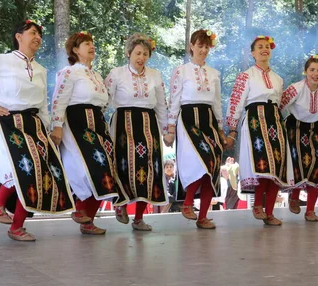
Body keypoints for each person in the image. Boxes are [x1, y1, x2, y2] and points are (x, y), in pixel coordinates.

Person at [0, 20, 74, 241]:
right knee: (25, 168)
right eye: (32, 32)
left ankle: (13, 222)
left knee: (39, 171)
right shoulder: (1, 61)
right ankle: (2, 209)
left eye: (40, 34)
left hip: (33, 124)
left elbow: (42, 103)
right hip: (6, 121)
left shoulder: (41, 70)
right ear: (18, 36)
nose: (37, 37)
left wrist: (49, 128)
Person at [50, 31, 126, 235]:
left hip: (98, 124)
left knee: (106, 170)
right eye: (85, 44)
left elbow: (105, 102)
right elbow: (59, 100)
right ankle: (77, 207)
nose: (91, 46)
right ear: (75, 50)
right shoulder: (69, 72)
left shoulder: (97, 75)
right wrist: (57, 125)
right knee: (89, 168)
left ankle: (88, 220)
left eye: (92, 43)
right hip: (77, 123)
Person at [106, 33, 168, 231]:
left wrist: (167, 130)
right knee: (122, 165)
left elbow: (161, 105)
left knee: (149, 168)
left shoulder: (155, 75)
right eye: (138, 53)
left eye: (145, 54)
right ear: (128, 53)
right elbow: (104, 100)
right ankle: (120, 205)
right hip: (123, 124)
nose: (141, 57)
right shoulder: (116, 73)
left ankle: (139, 218)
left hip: (149, 124)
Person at [225, 35, 287, 226]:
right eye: (259, 47)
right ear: (252, 53)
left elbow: (282, 104)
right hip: (254, 120)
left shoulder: (278, 78)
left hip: (274, 120)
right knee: (261, 164)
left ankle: (269, 212)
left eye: (267, 46)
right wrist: (232, 130)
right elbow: (236, 103)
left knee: (276, 166)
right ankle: (258, 205)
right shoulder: (246, 75)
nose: (264, 49)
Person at [167, 29, 225, 229]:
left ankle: (203, 216)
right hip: (189, 118)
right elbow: (174, 101)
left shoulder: (214, 73)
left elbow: (217, 103)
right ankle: (188, 202)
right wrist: (170, 128)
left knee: (213, 164)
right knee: (201, 161)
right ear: (191, 46)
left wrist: (221, 128)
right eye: (199, 46)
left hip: (208, 119)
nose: (203, 50)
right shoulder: (181, 71)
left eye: (206, 46)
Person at [280, 54, 318, 222]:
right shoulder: (295, 88)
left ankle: (310, 210)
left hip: (316, 129)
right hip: (295, 127)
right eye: (312, 70)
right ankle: (294, 197)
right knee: (297, 163)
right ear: (305, 71)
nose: (315, 73)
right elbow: (279, 106)